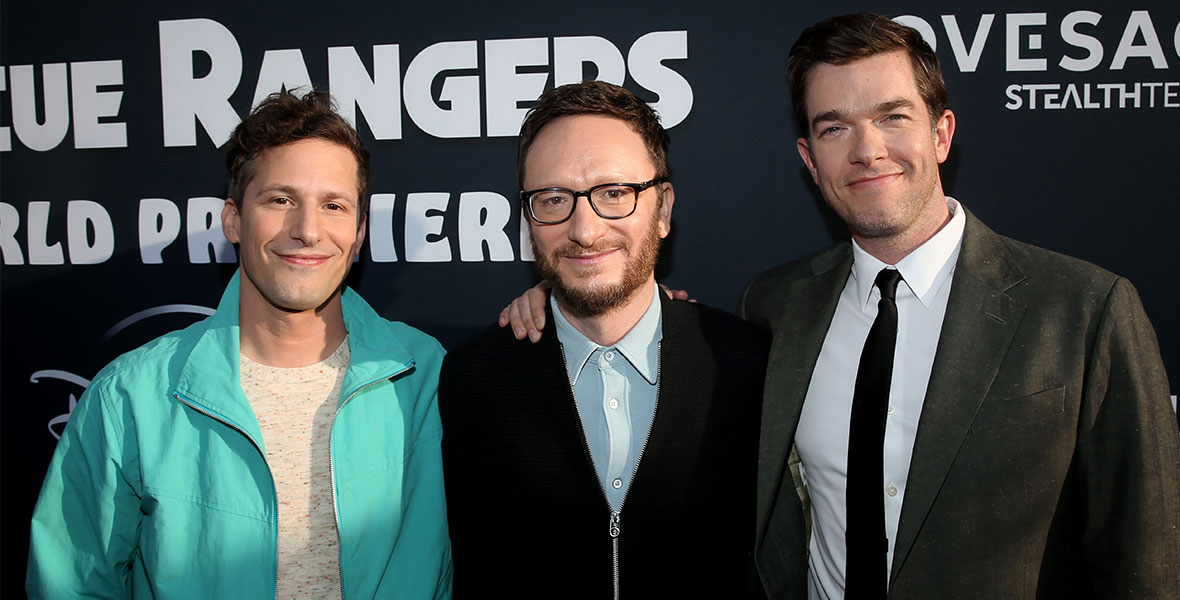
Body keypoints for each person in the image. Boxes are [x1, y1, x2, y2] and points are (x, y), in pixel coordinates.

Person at [504, 14, 1180, 599]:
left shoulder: (1085, 309)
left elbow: (1144, 566)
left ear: (942, 133)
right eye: (833, 128)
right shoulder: (775, 305)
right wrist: (569, 291)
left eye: (892, 117)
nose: (866, 150)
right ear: (808, 156)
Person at [27, 90, 452, 599]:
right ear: (233, 219)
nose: (307, 230)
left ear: (359, 232)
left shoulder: (429, 376)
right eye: (280, 200)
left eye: (333, 205)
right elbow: (71, 585)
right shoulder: (131, 396)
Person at [438, 80, 769, 598]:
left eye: (614, 193)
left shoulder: (746, 364)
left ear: (661, 210)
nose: (585, 230)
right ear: (528, 218)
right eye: (553, 199)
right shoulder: (473, 378)